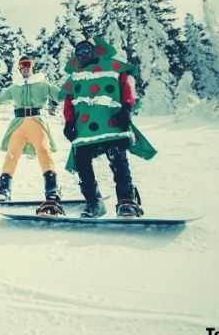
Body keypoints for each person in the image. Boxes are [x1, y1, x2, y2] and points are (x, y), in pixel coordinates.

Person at [60, 36, 156, 218]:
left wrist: (127, 108)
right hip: (85, 130)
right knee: (82, 164)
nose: (83, 54)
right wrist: (69, 122)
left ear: (94, 51)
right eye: (78, 52)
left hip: (112, 126)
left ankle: (127, 202)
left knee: (118, 161)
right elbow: (68, 101)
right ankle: (94, 203)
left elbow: (126, 87)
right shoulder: (75, 77)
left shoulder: (112, 67)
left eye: (86, 50)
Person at [0, 55, 63, 216]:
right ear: (19, 69)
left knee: (44, 151)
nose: (25, 69)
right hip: (18, 124)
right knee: (11, 154)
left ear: (32, 68)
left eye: (28, 67)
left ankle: (52, 190)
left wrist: (73, 88)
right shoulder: (14, 87)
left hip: (37, 122)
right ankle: (4, 190)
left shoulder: (43, 84)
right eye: (22, 67)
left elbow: (61, 96)